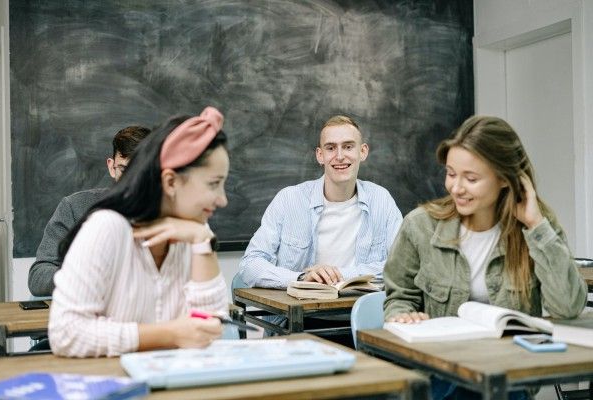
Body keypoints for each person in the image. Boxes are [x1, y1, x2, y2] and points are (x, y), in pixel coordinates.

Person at [383, 115, 587, 400]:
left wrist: (535, 226)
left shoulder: (537, 228)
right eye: (451, 173)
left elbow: (568, 307)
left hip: (508, 381)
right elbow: (398, 297)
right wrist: (402, 316)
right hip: (442, 379)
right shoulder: (420, 226)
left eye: (471, 178)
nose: (456, 187)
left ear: (505, 178)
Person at [48, 107, 230, 357]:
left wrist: (202, 242)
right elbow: (66, 333)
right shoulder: (107, 227)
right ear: (170, 182)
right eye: (213, 184)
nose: (222, 200)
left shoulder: (196, 231)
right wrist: (171, 334)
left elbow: (209, 329)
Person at [240, 115, 403, 289]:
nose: (340, 156)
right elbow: (250, 264)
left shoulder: (381, 200)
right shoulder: (288, 200)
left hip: (359, 312)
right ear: (320, 155)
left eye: (348, 147)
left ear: (362, 152)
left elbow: (402, 265)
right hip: (300, 314)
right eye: (331, 148)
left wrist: (340, 275)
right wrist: (302, 278)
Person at [28, 126, 151, 297]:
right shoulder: (74, 207)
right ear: (111, 167)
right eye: (124, 170)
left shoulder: (169, 212)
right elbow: (38, 277)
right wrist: (80, 277)